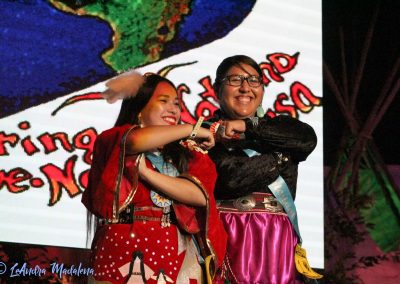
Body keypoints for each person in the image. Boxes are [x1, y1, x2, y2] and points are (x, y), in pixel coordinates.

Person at [82, 72, 227, 284]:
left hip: (174, 249)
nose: (173, 109)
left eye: (177, 103)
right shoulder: (114, 139)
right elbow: (134, 142)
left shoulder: (188, 153)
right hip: (123, 244)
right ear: (139, 109)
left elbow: (199, 196)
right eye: (163, 101)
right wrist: (191, 128)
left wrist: (147, 174)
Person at [205, 55, 320, 283]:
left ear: (263, 89)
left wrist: (247, 127)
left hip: (277, 239)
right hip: (228, 235)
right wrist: (281, 157)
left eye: (253, 80)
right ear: (218, 89)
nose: (245, 88)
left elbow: (307, 140)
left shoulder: (280, 127)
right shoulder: (205, 134)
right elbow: (231, 178)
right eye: (235, 80)